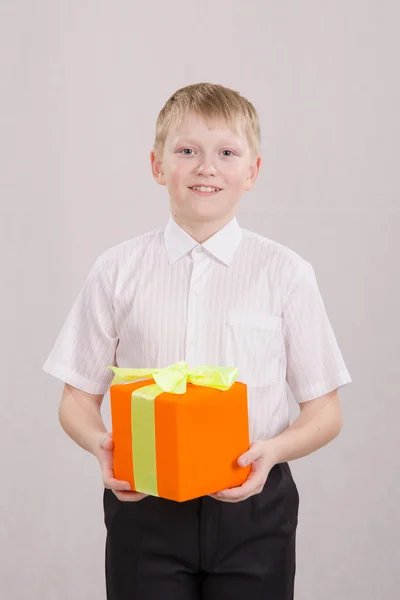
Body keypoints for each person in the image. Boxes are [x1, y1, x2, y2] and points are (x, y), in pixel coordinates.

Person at [43, 82, 352, 599]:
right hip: (146, 504)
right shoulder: (117, 270)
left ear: (252, 171)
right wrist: (103, 446)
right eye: (187, 151)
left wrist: (272, 452)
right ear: (158, 165)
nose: (207, 167)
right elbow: (76, 397)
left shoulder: (286, 274)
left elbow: (326, 411)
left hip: (255, 508)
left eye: (227, 153)